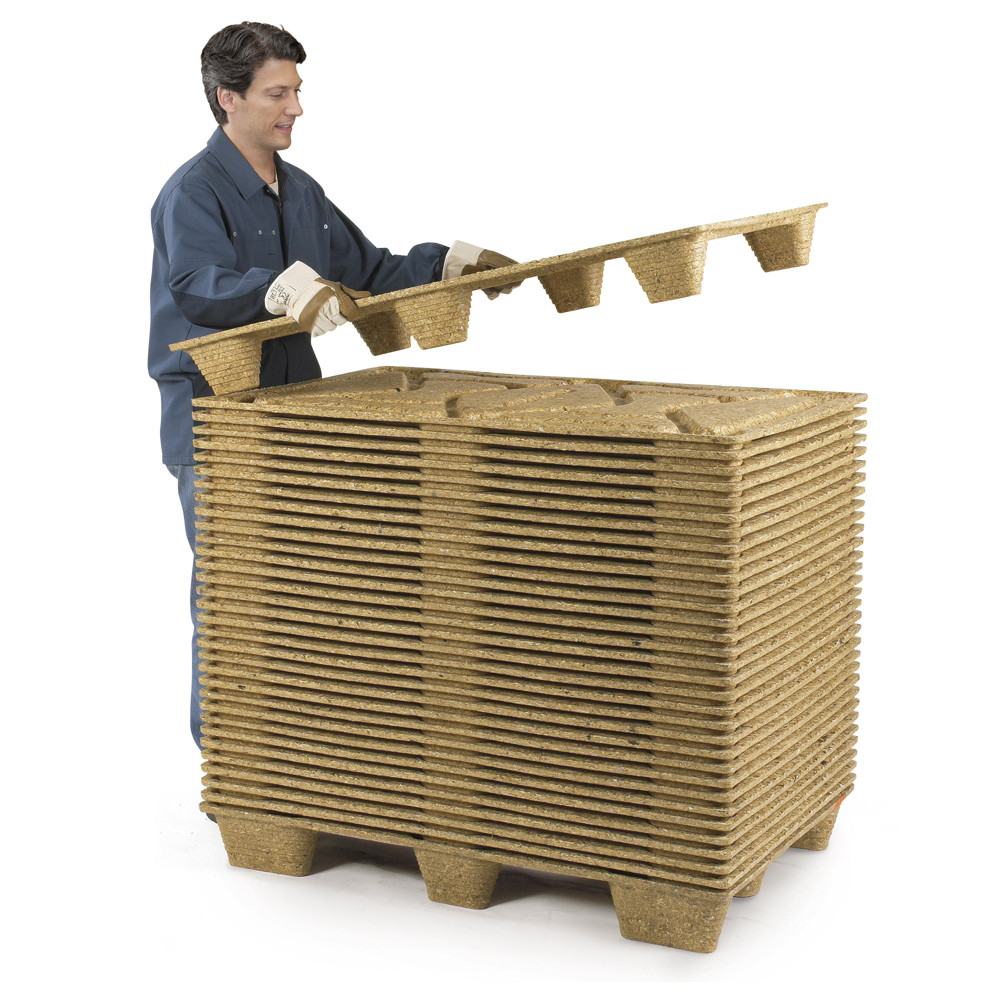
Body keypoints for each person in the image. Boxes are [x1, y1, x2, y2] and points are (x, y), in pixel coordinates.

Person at [149, 21, 516, 747]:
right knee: (234, 600)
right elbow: (197, 285)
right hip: (217, 426)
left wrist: (446, 264)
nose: (296, 108)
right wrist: (279, 291)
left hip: (294, 417)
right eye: (277, 93)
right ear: (228, 98)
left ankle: (301, 756)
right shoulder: (192, 193)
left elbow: (368, 271)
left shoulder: (301, 192)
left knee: (305, 598)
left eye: (297, 90)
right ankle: (232, 763)